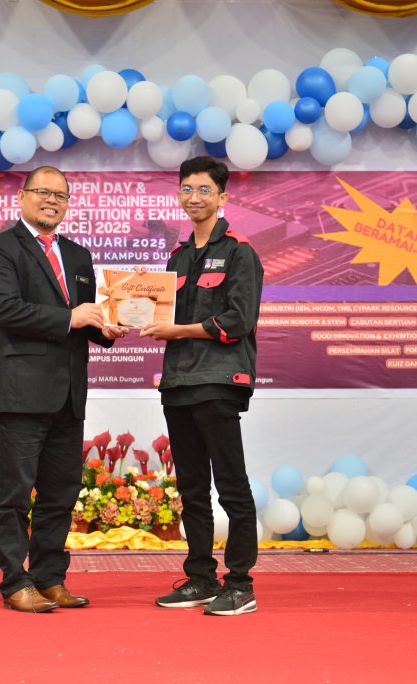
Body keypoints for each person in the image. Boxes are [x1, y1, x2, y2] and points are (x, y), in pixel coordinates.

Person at [0, 166, 126, 613]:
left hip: (68, 394)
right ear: (22, 197)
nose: (51, 200)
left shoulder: (79, 256)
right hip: (20, 394)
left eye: (60, 195)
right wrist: (72, 319)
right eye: (42, 192)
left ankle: (50, 577)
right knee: (15, 496)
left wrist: (108, 328)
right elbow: (7, 312)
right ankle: (15, 582)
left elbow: (85, 317)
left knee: (60, 493)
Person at [141, 156, 264, 617]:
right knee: (192, 488)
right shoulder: (177, 258)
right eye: (187, 190)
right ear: (179, 195)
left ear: (222, 197)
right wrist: (129, 314)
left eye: (204, 191)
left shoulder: (239, 252)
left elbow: (238, 320)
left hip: (218, 381)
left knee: (231, 487)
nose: (195, 198)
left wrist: (179, 331)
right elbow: (161, 315)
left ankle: (240, 583)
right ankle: (200, 578)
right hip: (177, 383)